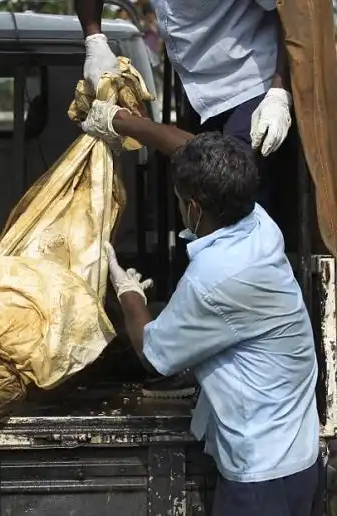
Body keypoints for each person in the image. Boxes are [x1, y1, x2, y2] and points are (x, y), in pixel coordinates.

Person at [81, 100, 321, 516]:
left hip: (261, 481)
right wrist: (121, 121)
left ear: (193, 207)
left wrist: (125, 289)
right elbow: (190, 149)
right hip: (297, 456)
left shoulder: (214, 278)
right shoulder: (257, 222)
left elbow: (153, 354)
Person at [77, 0, 293, 159]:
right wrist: (94, 39)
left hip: (250, 80)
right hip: (193, 88)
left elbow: (294, 14)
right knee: (198, 185)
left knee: (227, 179)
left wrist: (279, 90)